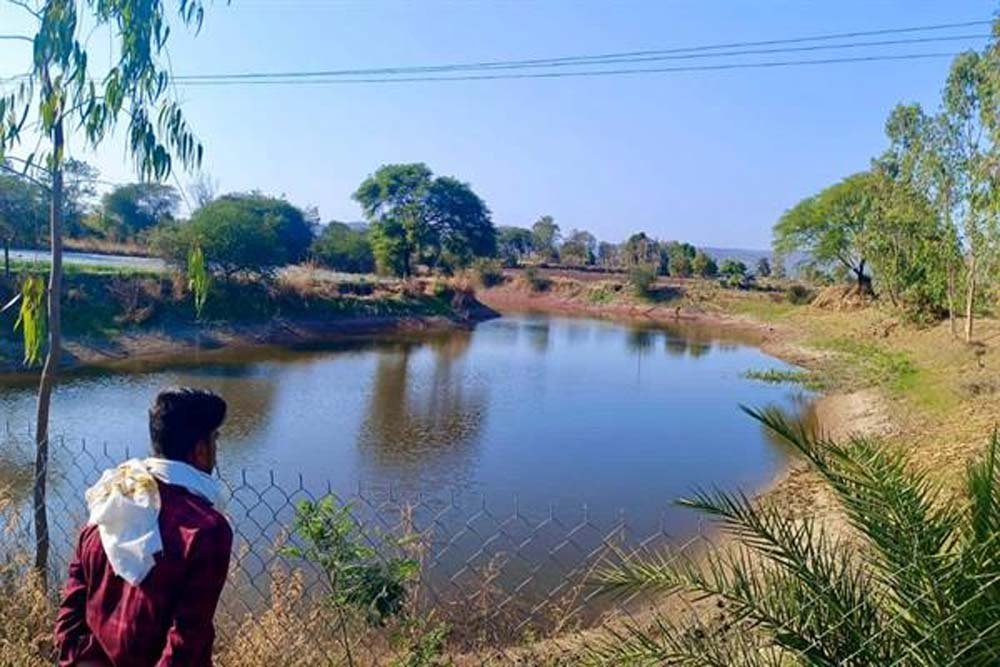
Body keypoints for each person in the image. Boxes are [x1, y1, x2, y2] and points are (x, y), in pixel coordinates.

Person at [55, 388, 233, 667]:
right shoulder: (205, 530)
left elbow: (70, 618)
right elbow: (185, 644)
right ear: (201, 450)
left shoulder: (108, 504)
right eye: (215, 440)